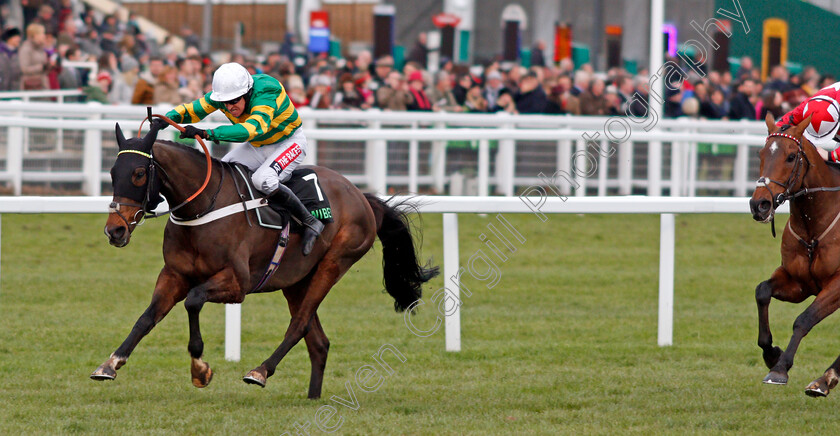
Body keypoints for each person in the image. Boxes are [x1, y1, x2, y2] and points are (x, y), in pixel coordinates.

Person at [152, 62, 323, 255]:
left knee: (263, 180)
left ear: (248, 92)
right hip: (258, 145)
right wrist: (166, 119)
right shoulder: (225, 95)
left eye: (234, 101)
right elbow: (195, 109)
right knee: (222, 174)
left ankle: (310, 222)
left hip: (289, 142)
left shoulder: (267, 91)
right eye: (224, 102)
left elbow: (251, 129)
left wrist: (207, 133)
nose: (229, 107)